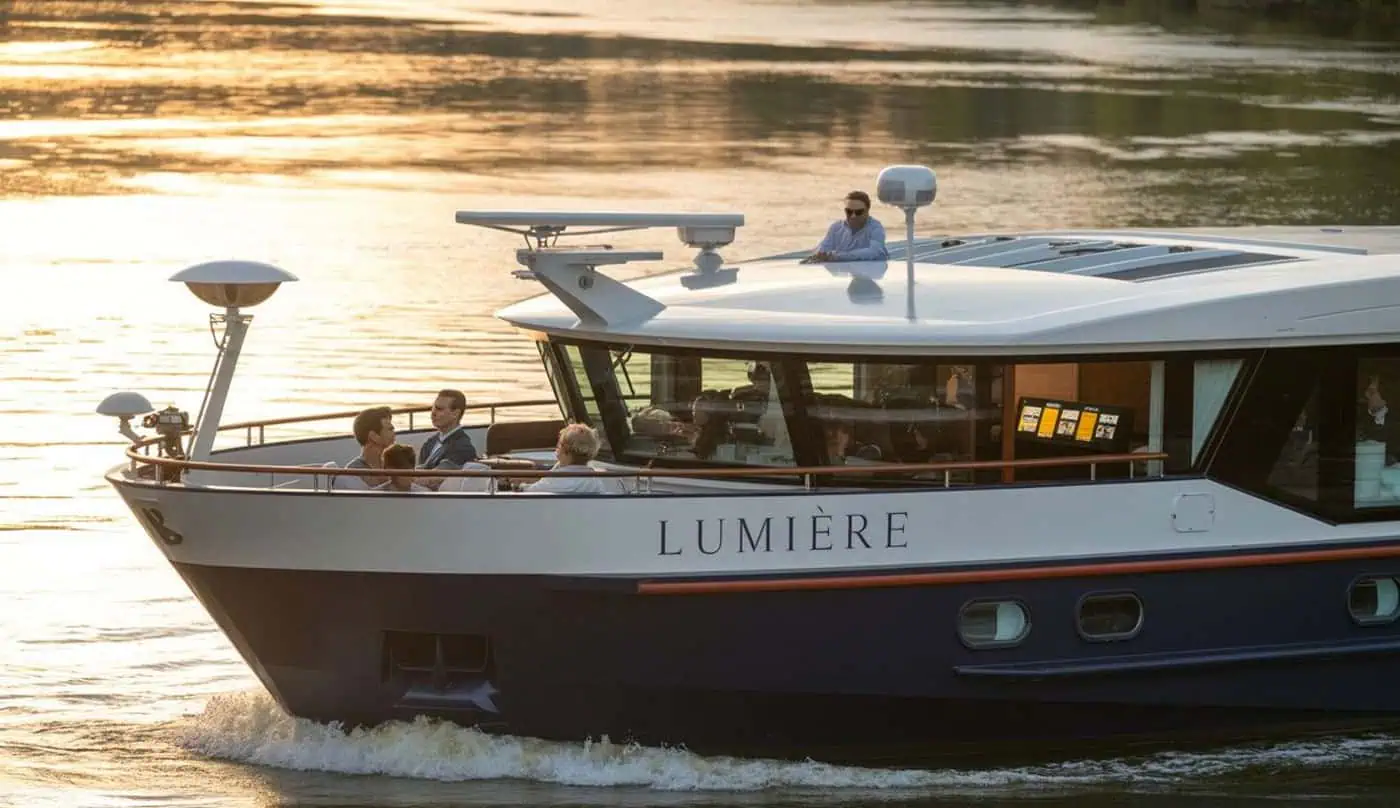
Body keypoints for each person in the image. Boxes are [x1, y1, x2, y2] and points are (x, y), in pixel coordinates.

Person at [524, 424, 613, 494]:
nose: (557, 449)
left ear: (566, 450)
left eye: (559, 444)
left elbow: (530, 491)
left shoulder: (559, 479)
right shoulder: (595, 480)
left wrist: (518, 486)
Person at [802, 191, 888, 263]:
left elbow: (874, 252)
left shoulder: (876, 228)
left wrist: (839, 256)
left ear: (867, 211)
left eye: (859, 212)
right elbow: (823, 249)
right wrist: (821, 255)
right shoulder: (836, 228)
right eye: (849, 211)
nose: (853, 216)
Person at [418, 389, 479, 489]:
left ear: (455, 413)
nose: (433, 412)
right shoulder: (430, 443)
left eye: (439, 409)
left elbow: (433, 478)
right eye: (433, 407)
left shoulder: (463, 447)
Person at [338, 405, 395, 490]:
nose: (394, 433)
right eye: (390, 429)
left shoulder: (395, 464)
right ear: (373, 436)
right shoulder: (354, 472)